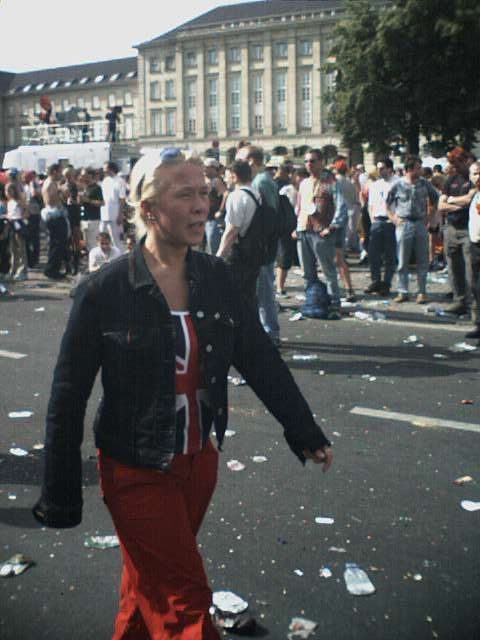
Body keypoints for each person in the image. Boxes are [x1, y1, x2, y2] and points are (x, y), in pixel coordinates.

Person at [32, 147, 333, 640]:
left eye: (205, 193)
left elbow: (257, 357)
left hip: (199, 463)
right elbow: (67, 397)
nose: (203, 205)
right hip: (135, 467)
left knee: (148, 587)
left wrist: (303, 429)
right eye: (186, 194)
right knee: (187, 607)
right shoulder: (103, 291)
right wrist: (61, 494)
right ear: (149, 208)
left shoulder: (216, 278)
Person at [386, 156, 439, 304]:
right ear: (409, 169)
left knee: (423, 259)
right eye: (418, 167)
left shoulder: (425, 184)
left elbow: (436, 199)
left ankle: (422, 291)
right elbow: (388, 203)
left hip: (420, 224)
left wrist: (429, 217)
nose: (420, 170)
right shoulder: (398, 185)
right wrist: (393, 218)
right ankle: (403, 291)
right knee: (402, 259)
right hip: (404, 224)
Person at [297, 149, 343, 318]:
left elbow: (341, 206)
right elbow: (300, 207)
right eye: (306, 161)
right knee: (307, 272)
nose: (309, 164)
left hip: (320, 231)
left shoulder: (330, 182)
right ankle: (313, 300)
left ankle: (335, 303)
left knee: (328, 270)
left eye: (312, 161)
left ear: (321, 162)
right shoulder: (304, 183)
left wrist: (331, 227)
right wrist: (297, 227)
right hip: (304, 230)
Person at [247, 146, 280, 345]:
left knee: (264, 288)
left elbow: (268, 214)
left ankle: (270, 331)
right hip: (265, 241)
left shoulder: (261, 181)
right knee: (262, 286)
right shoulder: (263, 180)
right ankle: (267, 329)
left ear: (252, 161)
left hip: (262, 242)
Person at [216, 159, 260, 299]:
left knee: (234, 296)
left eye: (227, 175)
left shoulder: (237, 196)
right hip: (254, 251)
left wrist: (219, 257)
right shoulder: (257, 194)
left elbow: (232, 230)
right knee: (249, 297)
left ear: (234, 176)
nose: (225, 179)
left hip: (239, 254)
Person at [438, 147, 474, 315]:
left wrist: (451, 201)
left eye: (457, 163)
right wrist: (456, 203)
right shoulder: (450, 179)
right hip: (451, 228)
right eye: (453, 164)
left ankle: (473, 304)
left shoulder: (474, 179)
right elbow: (441, 205)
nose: (455, 167)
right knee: (453, 267)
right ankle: (459, 301)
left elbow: (469, 201)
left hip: (468, 228)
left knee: (470, 270)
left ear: (466, 161)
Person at [364, 159, 398, 296]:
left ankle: (386, 283)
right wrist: (373, 220)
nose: (380, 171)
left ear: (390, 169)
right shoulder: (375, 185)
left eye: (383, 168)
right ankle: (375, 281)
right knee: (373, 254)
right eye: (378, 168)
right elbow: (371, 205)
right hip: (377, 221)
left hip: (391, 222)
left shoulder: (397, 183)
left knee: (390, 255)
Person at [5, 182, 29, 281]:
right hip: (11, 226)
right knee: (13, 250)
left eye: (9, 190)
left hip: (18, 226)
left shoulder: (19, 201)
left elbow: (26, 214)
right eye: (6, 191)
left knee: (21, 249)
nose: (7, 193)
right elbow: (10, 214)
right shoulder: (9, 202)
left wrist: (18, 218)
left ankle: (23, 271)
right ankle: (13, 270)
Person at [100, 161, 126, 249]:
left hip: (115, 214)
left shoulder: (120, 181)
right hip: (104, 215)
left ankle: (120, 258)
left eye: (105, 168)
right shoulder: (105, 181)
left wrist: (120, 215)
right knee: (102, 237)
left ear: (111, 169)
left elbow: (122, 199)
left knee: (117, 240)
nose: (103, 170)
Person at [203, 158, 226, 256]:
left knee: (213, 247)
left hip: (213, 219)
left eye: (207, 167)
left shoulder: (216, 181)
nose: (204, 169)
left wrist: (221, 210)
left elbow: (225, 194)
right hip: (205, 219)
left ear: (214, 168)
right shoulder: (204, 180)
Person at [79, 168, 104, 251]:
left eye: (84, 175)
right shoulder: (83, 187)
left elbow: (102, 203)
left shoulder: (96, 188)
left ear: (90, 176)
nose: (82, 177)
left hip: (93, 219)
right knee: (86, 244)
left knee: (93, 244)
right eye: (82, 175)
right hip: (83, 219)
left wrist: (89, 201)